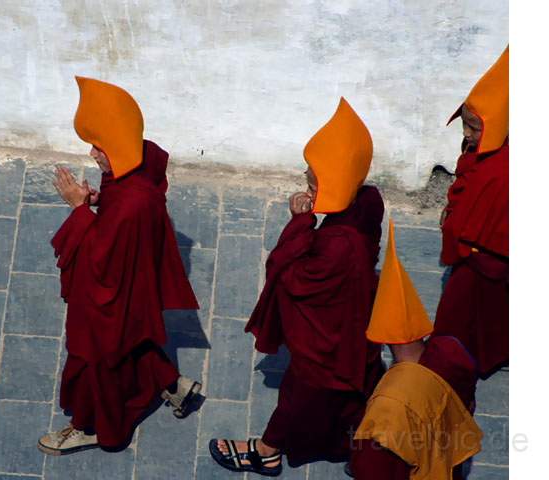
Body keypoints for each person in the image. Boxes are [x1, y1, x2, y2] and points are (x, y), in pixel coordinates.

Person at [209, 98, 385, 476]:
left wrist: (298, 224)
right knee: (352, 391)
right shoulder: (369, 200)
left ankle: (267, 451)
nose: (306, 183)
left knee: (299, 395)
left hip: (327, 340)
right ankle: (348, 439)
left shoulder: (339, 245)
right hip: (358, 322)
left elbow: (289, 274)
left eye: (312, 179)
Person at [37, 77, 202, 456]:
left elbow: (99, 263)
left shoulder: (131, 202)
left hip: (116, 293)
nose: (94, 155)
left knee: (98, 357)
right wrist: (98, 201)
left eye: (99, 147)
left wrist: (79, 210)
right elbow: (117, 227)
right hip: (137, 279)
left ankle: (95, 428)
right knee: (130, 343)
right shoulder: (137, 169)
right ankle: (171, 384)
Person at [350, 220, 483, 480]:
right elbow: (469, 403)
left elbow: (376, 469)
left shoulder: (389, 404)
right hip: (449, 447)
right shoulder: (450, 349)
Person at [433, 47, 509, 379]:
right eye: (466, 125)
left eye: (474, 128)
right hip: (476, 251)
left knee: (463, 313)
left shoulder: (502, 169)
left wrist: (458, 231)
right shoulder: (484, 147)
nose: (466, 135)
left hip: (485, 258)